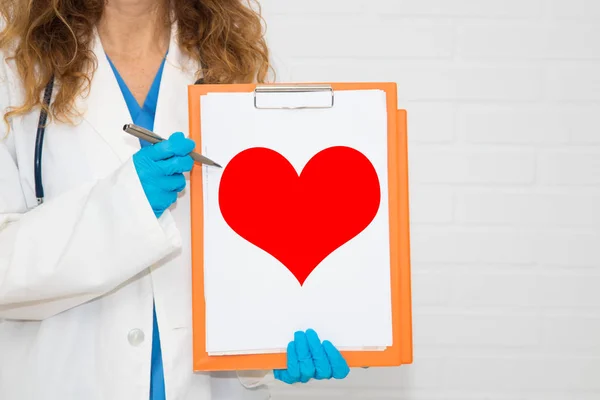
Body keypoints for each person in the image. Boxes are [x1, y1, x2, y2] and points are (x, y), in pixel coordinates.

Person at [0, 0, 350, 399]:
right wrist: (126, 206)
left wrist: (270, 345)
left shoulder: (231, 61)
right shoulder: (15, 66)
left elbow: (257, 240)